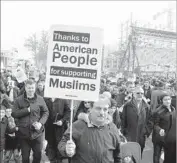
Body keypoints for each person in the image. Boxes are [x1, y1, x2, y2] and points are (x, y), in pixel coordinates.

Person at [58, 95, 122, 163]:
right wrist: (66, 149)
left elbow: (117, 155)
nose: (102, 113)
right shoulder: (78, 125)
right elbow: (63, 142)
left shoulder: (112, 128)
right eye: (98, 108)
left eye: (105, 109)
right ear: (90, 109)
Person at [12, 79, 49, 163]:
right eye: (29, 88)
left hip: (37, 133)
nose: (31, 90)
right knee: (25, 158)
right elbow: (14, 114)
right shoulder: (18, 100)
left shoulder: (40, 99)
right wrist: (27, 110)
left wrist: (40, 123)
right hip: (24, 134)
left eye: (32, 88)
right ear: (25, 88)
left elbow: (46, 112)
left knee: (37, 156)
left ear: (35, 88)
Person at [121, 86, 152, 155]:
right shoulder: (127, 105)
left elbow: (150, 120)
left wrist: (146, 131)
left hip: (141, 135)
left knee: (139, 153)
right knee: (129, 155)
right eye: (138, 93)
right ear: (133, 94)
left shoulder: (147, 106)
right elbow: (123, 120)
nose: (140, 95)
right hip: (129, 134)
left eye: (142, 93)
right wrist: (124, 132)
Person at [44, 97, 71, 163]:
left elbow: (68, 111)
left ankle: (59, 160)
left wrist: (62, 120)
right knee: (50, 144)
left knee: (59, 144)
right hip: (49, 126)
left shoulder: (63, 99)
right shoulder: (46, 99)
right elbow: (43, 111)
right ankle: (52, 160)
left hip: (60, 127)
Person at [152, 93, 176, 163]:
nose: (168, 101)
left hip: (169, 137)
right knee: (157, 155)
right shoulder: (157, 111)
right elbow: (154, 124)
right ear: (161, 101)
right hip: (158, 138)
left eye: (169, 99)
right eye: (165, 100)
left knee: (169, 155)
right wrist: (160, 130)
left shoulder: (173, 109)